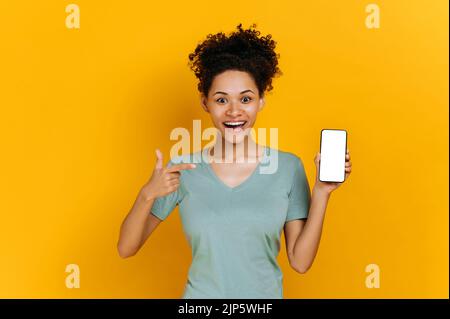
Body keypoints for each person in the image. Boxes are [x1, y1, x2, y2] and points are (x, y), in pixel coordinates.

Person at [117, 23, 352, 299]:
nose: (234, 111)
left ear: (261, 100)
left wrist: (322, 192)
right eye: (221, 100)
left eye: (246, 99)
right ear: (205, 103)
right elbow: (126, 248)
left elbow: (300, 262)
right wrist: (147, 194)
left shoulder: (288, 168)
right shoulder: (183, 170)